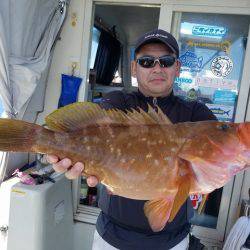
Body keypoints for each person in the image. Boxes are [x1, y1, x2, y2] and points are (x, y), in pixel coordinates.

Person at [47, 29, 216, 250]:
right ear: (134, 68)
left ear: (177, 68)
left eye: (166, 61)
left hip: (173, 241)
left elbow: (222, 154)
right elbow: (93, 124)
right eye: (147, 61)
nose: (157, 68)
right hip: (111, 238)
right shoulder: (118, 102)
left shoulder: (196, 114)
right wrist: (62, 150)